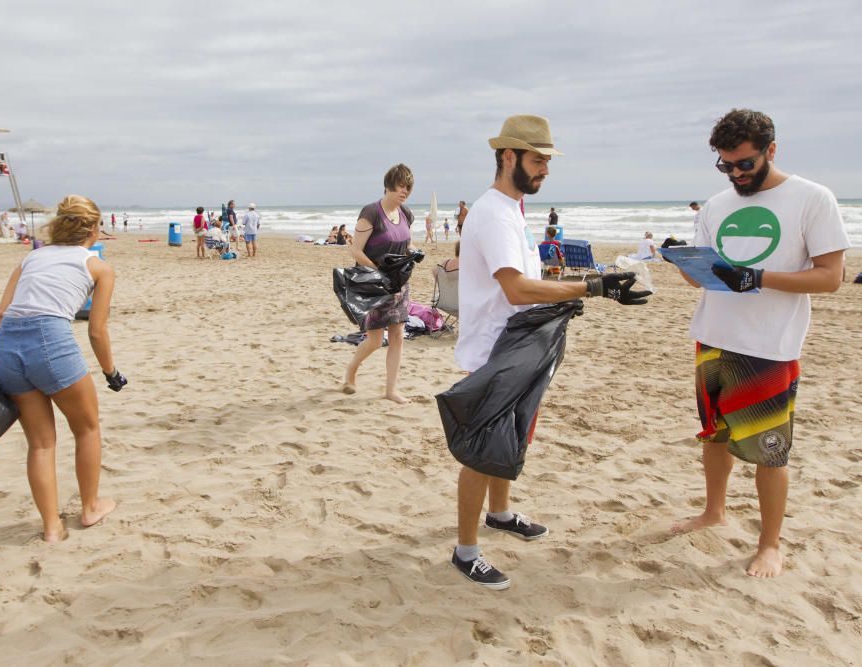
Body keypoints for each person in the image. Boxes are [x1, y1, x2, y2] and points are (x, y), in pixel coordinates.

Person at [450, 115, 650, 589]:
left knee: (513, 438)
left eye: (546, 161)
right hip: (495, 348)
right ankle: (465, 550)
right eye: (537, 160)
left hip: (521, 342)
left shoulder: (513, 209)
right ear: (508, 156)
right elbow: (517, 291)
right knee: (481, 451)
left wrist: (596, 285)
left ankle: (498, 514)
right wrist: (593, 287)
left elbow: (530, 282)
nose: (544, 169)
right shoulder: (495, 212)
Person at [670, 108, 849, 578]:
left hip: (769, 345)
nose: (735, 175)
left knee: (770, 449)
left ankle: (770, 544)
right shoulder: (715, 205)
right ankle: (714, 511)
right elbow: (701, 283)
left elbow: (832, 277)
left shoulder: (812, 198)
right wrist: (684, 263)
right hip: (712, 337)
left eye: (745, 164)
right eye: (726, 165)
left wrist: (758, 277)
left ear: (772, 150)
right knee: (714, 436)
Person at [0, 195, 125, 543]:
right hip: (49, 341)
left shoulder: (31, 257)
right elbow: (96, 330)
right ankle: (91, 507)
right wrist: (111, 372)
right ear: (93, 229)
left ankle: (51, 527)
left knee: (40, 444)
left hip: (8, 346)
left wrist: (0, 360)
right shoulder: (97, 267)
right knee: (86, 428)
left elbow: (2, 315)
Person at [342, 163, 420, 404]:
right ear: (388, 186)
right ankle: (350, 372)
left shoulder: (406, 214)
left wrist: (413, 252)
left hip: (399, 284)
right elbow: (355, 250)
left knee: (397, 336)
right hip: (374, 285)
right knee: (375, 340)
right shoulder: (371, 212)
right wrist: (378, 272)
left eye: (408, 187)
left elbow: (406, 243)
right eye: (400, 186)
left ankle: (390, 389)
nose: (404, 191)